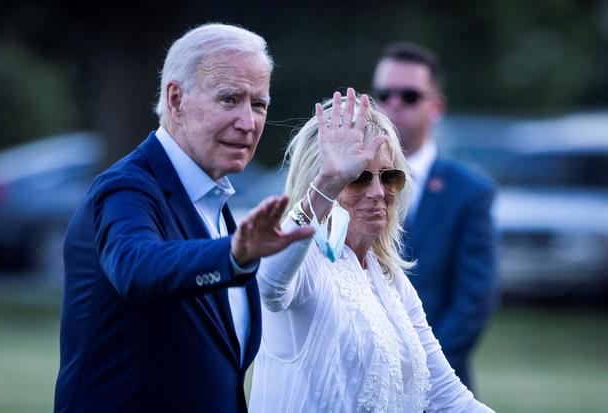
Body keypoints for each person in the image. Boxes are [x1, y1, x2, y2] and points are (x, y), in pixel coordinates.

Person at [54, 23, 313, 413]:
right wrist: (231, 257)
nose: (248, 123)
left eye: (258, 104)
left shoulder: (215, 205)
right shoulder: (127, 188)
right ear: (175, 99)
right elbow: (136, 266)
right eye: (230, 99)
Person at [249, 88, 494, 412]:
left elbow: (446, 396)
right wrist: (326, 186)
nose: (379, 192)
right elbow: (268, 283)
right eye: (358, 178)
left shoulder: (389, 278)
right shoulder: (305, 262)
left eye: (389, 176)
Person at [372, 42, 498, 389]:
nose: (394, 105)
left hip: (436, 384)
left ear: (436, 106)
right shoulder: (348, 184)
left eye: (409, 96)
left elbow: (472, 302)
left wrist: (415, 371)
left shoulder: (470, 193)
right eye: (384, 94)